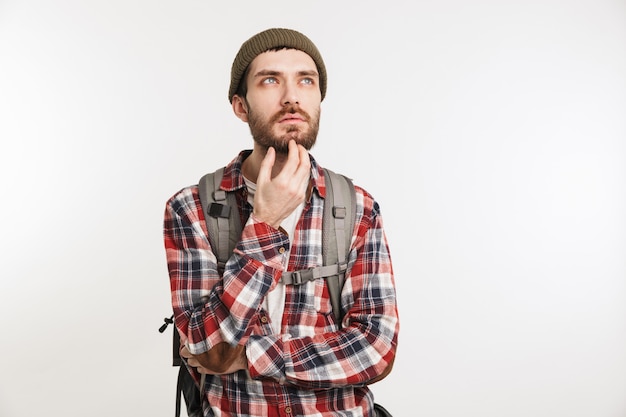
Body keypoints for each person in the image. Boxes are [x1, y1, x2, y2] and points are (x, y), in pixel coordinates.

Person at [163, 27, 399, 417]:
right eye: (270, 80)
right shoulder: (192, 208)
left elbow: (377, 351)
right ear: (240, 106)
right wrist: (265, 224)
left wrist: (254, 355)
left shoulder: (356, 207)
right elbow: (212, 350)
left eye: (305, 80)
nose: (291, 96)